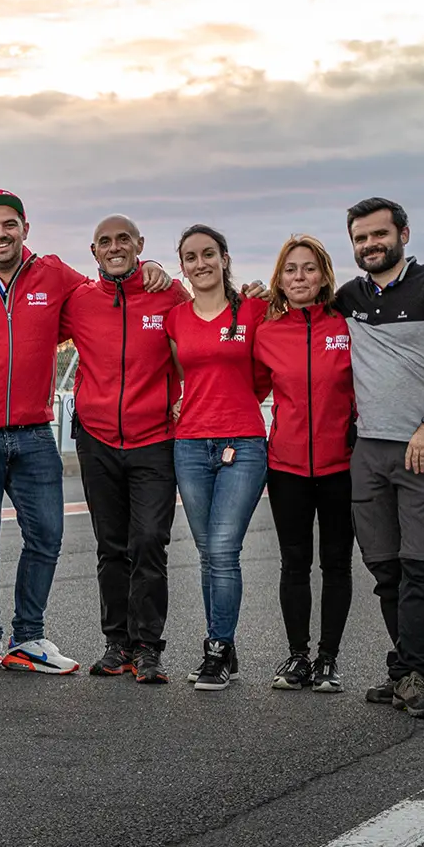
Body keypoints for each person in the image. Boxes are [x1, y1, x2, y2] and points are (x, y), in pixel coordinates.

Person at [0, 189, 173, 677]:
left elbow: (109, 294)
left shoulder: (56, 276)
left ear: (25, 227)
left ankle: (28, 637)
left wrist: (155, 273)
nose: (0, 234)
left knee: (46, 536)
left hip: (33, 432)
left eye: (9, 225)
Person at [338, 198, 424, 721]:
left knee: (423, 566)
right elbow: (295, 308)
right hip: (369, 450)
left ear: (403, 234)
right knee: (386, 569)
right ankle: (404, 674)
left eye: (379, 235)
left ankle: (419, 676)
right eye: (360, 239)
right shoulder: (348, 297)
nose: (370, 245)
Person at [59, 215, 188, 684]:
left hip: (154, 437)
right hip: (96, 438)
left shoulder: (168, 293)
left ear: (139, 245)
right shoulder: (78, 301)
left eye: (124, 240)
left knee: (150, 540)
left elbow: (200, 335)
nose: (115, 248)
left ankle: (149, 646)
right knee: (111, 546)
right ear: (93, 251)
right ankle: (117, 643)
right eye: (105, 242)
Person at [166, 224, 269, 692]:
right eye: (190, 257)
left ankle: (217, 647)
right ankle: (222, 649)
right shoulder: (175, 318)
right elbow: (181, 372)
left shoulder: (255, 309)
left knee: (224, 551)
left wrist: (236, 403)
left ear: (225, 258)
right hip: (189, 444)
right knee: (209, 554)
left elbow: (266, 373)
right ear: (182, 266)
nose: (200, 263)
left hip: (243, 443)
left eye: (209, 254)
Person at [254, 234, 355, 695]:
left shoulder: (348, 323)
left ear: (324, 276)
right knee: (295, 563)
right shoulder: (268, 331)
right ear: (280, 278)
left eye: (309, 268)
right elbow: (246, 387)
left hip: (343, 466)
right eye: (291, 269)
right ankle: (298, 656)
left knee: (336, 564)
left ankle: (328, 659)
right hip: (288, 467)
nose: (300, 277)